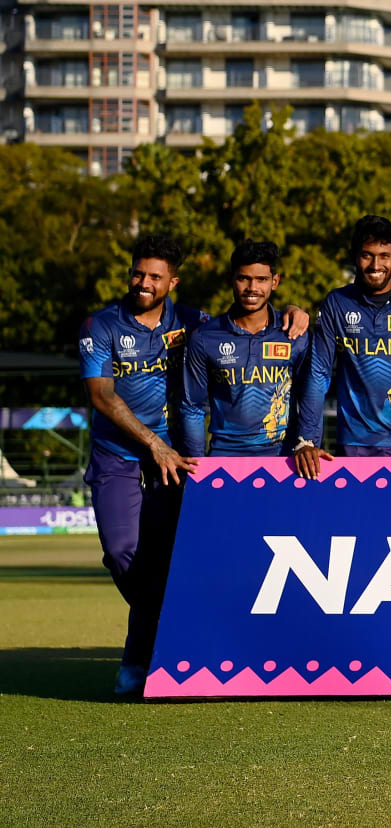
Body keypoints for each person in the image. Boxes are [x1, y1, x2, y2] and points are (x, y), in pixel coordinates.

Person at [79, 234, 209, 695]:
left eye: (155, 277)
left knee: (166, 561)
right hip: (119, 457)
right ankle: (171, 634)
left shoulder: (194, 322)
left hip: (175, 464)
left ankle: (137, 663)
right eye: (138, 273)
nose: (144, 282)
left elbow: (246, 327)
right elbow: (101, 395)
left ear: (172, 281)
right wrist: (154, 444)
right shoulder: (102, 325)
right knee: (122, 555)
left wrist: (289, 314)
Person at [294, 215, 391, 479]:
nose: (376, 265)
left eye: (384, 256)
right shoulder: (336, 303)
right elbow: (318, 374)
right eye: (367, 255)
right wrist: (307, 441)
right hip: (354, 444)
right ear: (354, 256)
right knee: (355, 519)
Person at [181, 241, 310, 458]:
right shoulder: (204, 338)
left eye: (261, 279)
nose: (252, 288)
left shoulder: (293, 334)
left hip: (283, 458)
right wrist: (198, 465)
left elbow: (310, 396)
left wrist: (307, 442)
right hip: (225, 457)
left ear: (275, 281)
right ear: (230, 279)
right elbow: (193, 406)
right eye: (244, 278)